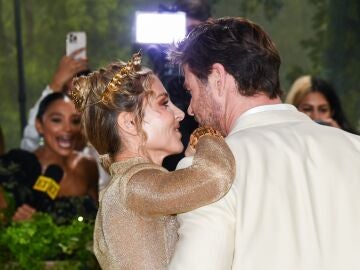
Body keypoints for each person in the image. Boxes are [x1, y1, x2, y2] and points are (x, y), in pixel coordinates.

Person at [167, 17, 360, 270]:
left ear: (217, 78)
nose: (190, 109)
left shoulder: (210, 169)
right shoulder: (354, 147)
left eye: (191, 91)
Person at [69, 52, 235, 269]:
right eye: (164, 104)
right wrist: (208, 133)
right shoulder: (135, 185)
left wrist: (190, 159)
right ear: (129, 123)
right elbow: (215, 177)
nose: (180, 114)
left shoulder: (131, 185)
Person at [0, 92, 98, 224]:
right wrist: (14, 224)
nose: (68, 129)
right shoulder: (17, 169)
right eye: (57, 120)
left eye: (75, 121)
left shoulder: (87, 166)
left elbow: (99, 220)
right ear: (39, 125)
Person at [286, 75, 358, 134]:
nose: (316, 116)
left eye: (323, 110)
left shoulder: (354, 143)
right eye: (307, 109)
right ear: (294, 109)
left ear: (332, 112)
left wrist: (340, 136)